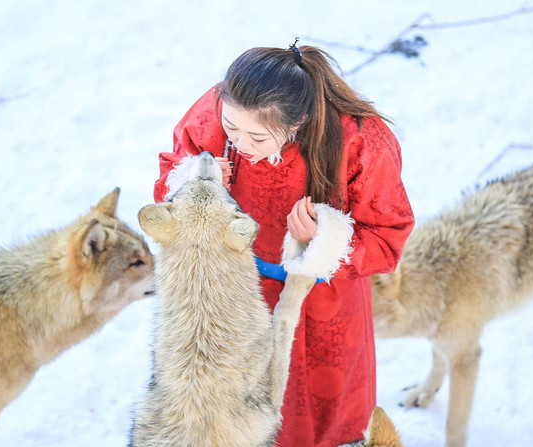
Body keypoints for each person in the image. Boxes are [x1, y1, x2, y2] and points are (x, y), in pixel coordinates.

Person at [153, 41, 415, 447]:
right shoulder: (221, 106)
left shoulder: (362, 141)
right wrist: (196, 180)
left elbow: (387, 235)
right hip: (239, 290)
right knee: (242, 408)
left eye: (257, 137)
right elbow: (172, 172)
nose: (240, 144)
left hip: (325, 300)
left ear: (299, 123)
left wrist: (323, 238)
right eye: (231, 128)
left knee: (320, 409)